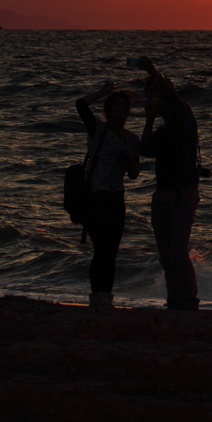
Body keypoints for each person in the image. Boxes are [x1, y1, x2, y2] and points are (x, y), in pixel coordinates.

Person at [138, 58, 202, 310]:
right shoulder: (162, 129)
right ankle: (175, 301)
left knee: (177, 252)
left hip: (181, 192)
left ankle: (187, 301)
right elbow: (145, 150)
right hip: (163, 193)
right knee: (166, 256)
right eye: (149, 94)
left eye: (155, 93)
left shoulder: (183, 115)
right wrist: (150, 119)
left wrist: (152, 71)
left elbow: (170, 92)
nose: (154, 97)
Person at [76, 82, 141, 309]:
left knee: (111, 251)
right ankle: (97, 298)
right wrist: (102, 92)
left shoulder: (133, 139)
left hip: (116, 198)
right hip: (95, 197)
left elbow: (134, 174)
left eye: (125, 104)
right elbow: (81, 105)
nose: (122, 108)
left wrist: (130, 162)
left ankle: (106, 298)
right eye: (117, 104)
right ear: (108, 110)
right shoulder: (98, 129)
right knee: (101, 250)